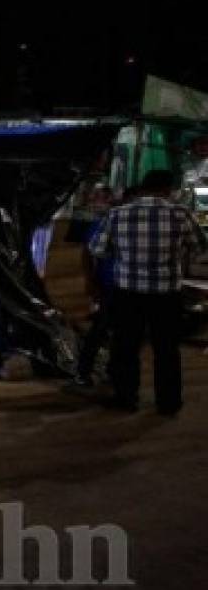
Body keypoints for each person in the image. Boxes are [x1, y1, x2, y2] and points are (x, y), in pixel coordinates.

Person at [91, 169, 206, 414]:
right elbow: (200, 248)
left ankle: (126, 398)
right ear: (168, 189)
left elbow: (98, 249)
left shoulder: (117, 214)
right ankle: (168, 403)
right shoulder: (180, 213)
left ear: (143, 187)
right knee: (167, 349)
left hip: (127, 292)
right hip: (166, 293)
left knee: (126, 347)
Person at [75, 187, 129, 386]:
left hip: (115, 284)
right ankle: (87, 370)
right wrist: (90, 281)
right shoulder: (104, 223)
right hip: (110, 284)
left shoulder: (108, 222)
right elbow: (87, 255)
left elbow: (87, 255)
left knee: (109, 330)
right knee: (103, 329)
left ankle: (103, 370)